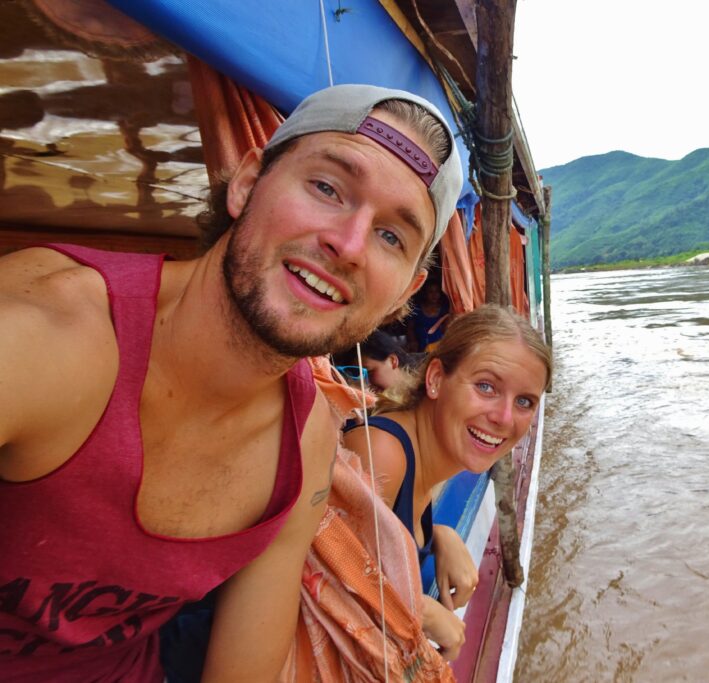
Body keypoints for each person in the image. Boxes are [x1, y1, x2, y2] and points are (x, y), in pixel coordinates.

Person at [0, 83, 462, 682]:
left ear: (403, 292)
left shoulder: (304, 448)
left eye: (391, 236)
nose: (347, 245)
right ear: (246, 183)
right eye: (326, 188)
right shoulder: (43, 338)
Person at [345, 304, 552, 661]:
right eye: (486, 386)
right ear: (437, 379)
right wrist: (416, 611)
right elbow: (323, 587)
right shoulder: (382, 452)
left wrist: (439, 532)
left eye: (524, 401)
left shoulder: (429, 452)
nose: (504, 418)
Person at [332, 329, 422, 395]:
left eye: (369, 372)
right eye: (357, 375)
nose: (365, 384)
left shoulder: (425, 389)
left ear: (392, 361)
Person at [406, 279, 451, 352]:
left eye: (437, 291)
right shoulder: (416, 310)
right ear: (425, 293)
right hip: (420, 348)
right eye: (430, 292)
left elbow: (446, 330)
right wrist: (412, 341)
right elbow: (410, 329)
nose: (434, 295)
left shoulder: (444, 310)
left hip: (439, 348)